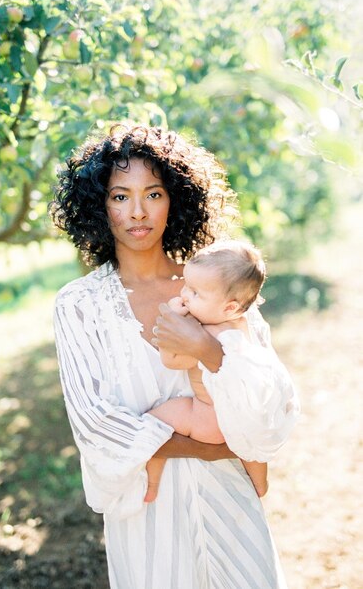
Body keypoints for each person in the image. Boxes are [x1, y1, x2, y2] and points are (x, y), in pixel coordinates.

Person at [50, 123, 300, 589]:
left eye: (154, 193)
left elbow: (271, 395)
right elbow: (92, 423)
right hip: (147, 510)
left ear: (176, 199)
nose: (138, 212)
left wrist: (206, 349)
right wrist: (204, 447)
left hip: (232, 502)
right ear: (98, 205)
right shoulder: (79, 304)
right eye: (120, 196)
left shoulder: (217, 288)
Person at [145, 239, 294, 503]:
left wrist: (173, 321)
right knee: (252, 446)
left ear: (229, 307)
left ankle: (151, 482)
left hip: (207, 417)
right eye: (187, 286)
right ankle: (260, 482)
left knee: (153, 425)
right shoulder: (240, 326)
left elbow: (172, 361)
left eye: (195, 293)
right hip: (240, 418)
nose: (184, 295)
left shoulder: (206, 333)